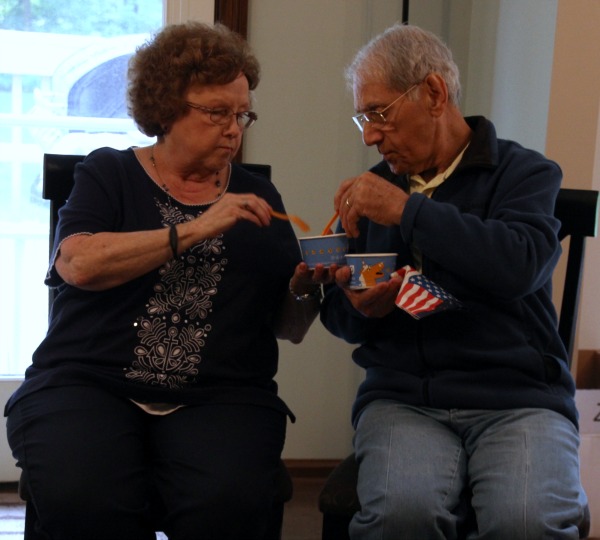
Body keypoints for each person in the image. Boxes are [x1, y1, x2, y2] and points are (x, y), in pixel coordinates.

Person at [5, 22, 329, 540]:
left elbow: (287, 326)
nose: (234, 129)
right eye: (217, 113)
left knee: (227, 502)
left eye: (242, 114)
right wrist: (197, 227)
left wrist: (309, 286)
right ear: (165, 107)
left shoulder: (259, 195)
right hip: (90, 383)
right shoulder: (108, 173)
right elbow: (78, 264)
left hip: (218, 394)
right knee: (85, 496)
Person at [320, 23, 588, 539]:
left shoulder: (525, 173)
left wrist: (407, 210)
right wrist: (358, 306)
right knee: (403, 515)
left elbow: (519, 265)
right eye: (362, 118)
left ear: (434, 93)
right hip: (403, 400)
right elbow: (343, 318)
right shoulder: (373, 191)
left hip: (520, 399)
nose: (371, 135)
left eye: (379, 113)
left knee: (527, 524)